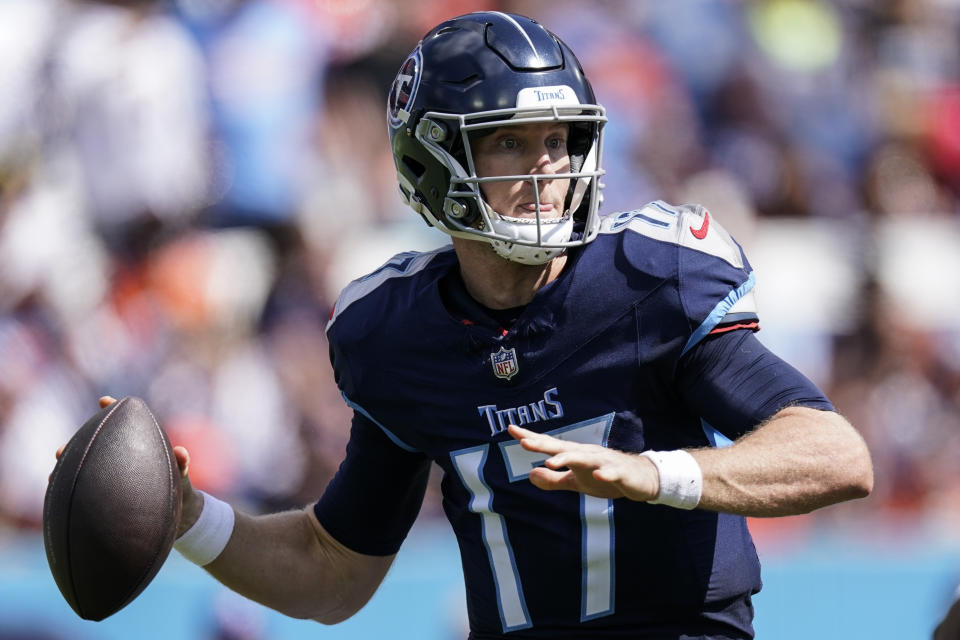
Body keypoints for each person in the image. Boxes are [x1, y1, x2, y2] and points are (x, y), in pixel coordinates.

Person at [95, 12, 873, 639]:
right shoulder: (395, 334)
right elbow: (332, 566)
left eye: (560, 142)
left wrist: (663, 476)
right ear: (430, 164)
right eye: (508, 142)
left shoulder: (648, 279)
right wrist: (190, 519)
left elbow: (835, 454)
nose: (547, 172)